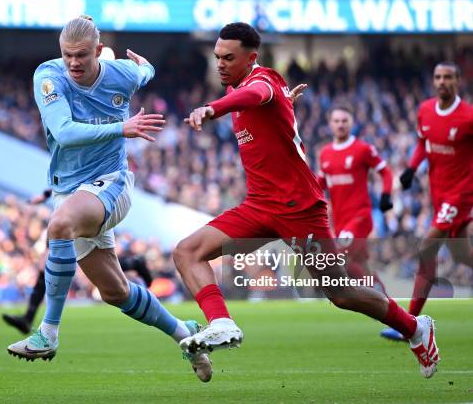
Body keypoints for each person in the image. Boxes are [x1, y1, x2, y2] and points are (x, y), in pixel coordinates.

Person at [173, 22, 440, 379]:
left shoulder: (261, 82)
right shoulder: (254, 88)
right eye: (217, 56)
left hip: (299, 210)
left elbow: (254, 96)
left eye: (228, 57)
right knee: (186, 251)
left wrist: (212, 108)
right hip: (258, 206)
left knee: (341, 293)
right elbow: (264, 108)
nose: (219, 63)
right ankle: (221, 322)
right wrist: (280, 105)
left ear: (251, 58)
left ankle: (414, 327)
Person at [6, 15, 212, 382]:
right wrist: (123, 126)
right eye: (68, 55)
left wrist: (144, 66)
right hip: (71, 191)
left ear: (99, 51)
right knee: (115, 292)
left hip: (111, 183)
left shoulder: (121, 74)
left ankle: (48, 333)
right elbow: (65, 133)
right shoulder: (48, 77)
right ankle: (187, 333)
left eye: (82, 55)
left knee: (60, 225)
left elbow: (143, 72)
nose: (73, 63)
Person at [381, 62, 472, 341]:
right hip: (439, 192)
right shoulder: (426, 110)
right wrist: (411, 168)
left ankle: (410, 324)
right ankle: (411, 323)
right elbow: (423, 142)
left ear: (458, 81)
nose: (442, 81)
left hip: (461, 193)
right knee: (460, 254)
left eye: (448, 77)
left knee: (427, 248)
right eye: (437, 77)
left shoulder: (468, 117)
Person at [2, 190, 154, 334]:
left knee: (94, 264)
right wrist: (45, 194)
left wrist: (46, 195)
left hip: (80, 211)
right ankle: (29, 318)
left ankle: (134, 263)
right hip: (64, 214)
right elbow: (61, 178)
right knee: (50, 265)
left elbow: (72, 177)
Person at [317, 105, 394, 293]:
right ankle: (384, 300)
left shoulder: (362, 149)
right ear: (330, 124)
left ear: (352, 123)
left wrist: (385, 195)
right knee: (361, 266)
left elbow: (385, 172)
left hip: (360, 217)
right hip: (341, 221)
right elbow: (320, 185)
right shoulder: (325, 153)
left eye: (344, 121)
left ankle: (368, 298)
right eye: (336, 121)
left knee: (340, 258)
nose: (340, 125)